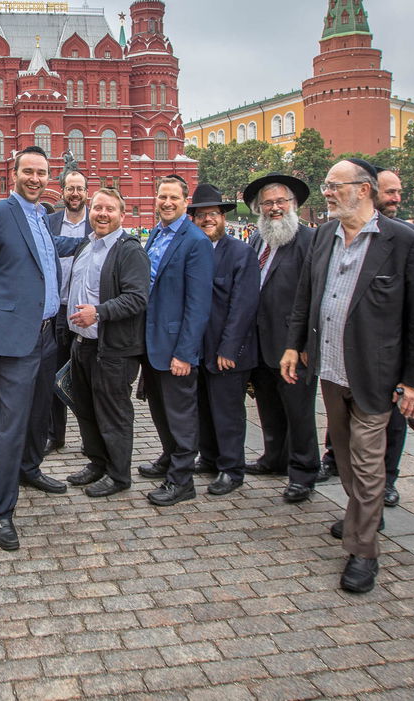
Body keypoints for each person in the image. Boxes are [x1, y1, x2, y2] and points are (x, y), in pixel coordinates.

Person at [282, 160, 414, 593]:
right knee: (344, 457)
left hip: (375, 374)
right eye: (326, 185)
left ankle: (362, 552)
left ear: (364, 190)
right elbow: (305, 296)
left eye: (334, 186)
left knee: (366, 464)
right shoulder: (324, 235)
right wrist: (293, 344)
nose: (326, 192)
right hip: (329, 369)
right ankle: (363, 513)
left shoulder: (404, 241)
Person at [0, 147, 84, 550]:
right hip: (8, 339)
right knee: (8, 426)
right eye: (29, 171)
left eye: (43, 173)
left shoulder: (40, 216)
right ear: (15, 173)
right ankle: (0, 509)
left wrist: (97, 236)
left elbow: (47, 251)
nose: (36, 178)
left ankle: (29, 468)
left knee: (38, 413)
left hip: (43, 336)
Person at [63, 188, 148, 497]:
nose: (101, 213)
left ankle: (118, 474)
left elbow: (137, 298)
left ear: (121, 215)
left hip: (113, 348)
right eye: (97, 207)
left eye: (109, 209)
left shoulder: (129, 250)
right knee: (86, 409)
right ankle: (97, 463)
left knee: (113, 412)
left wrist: (98, 313)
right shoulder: (87, 245)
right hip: (83, 344)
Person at [136, 176, 214, 507]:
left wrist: (185, 353)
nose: (166, 202)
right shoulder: (156, 233)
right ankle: (169, 458)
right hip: (153, 343)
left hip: (175, 347)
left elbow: (198, 306)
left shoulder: (195, 241)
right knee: (161, 411)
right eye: (162, 196)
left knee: (181, 416)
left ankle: (182, 480)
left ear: (186, 202)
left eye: (173, 198)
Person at [242, 174, 320, 503]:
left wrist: (303, 344)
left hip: (292, 344)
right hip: (262, 342)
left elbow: (315, 297)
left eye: (280, 202)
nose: (274, 208)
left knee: (299, 411)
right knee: (269, 406)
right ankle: (274, 458)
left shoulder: (310, 241)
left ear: (294, 205)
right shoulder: (259, 240)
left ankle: (303, 471)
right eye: (267, 203)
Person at [188, 183, 260, 497]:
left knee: (227, 412)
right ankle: (210, 457)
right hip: (199, 348)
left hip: (227, 351)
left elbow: (243, 306)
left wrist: (229, 349)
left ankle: (232, 469)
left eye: (213, 214)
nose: (207, 220)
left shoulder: (240, 252)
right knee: (203, 406)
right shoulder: (194, 251)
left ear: (222, 217)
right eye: (201, 215)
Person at [43, 170, 91, 455]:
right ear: (61, 191)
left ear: (87, 192)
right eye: (70, 188)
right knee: (53, 374)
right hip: (56, 309)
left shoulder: (97, 222)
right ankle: (54, 435)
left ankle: (89, 438)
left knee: (86, 376)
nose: (75, 194)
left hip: (86, 311)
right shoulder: (49, 222)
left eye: (80, 189)